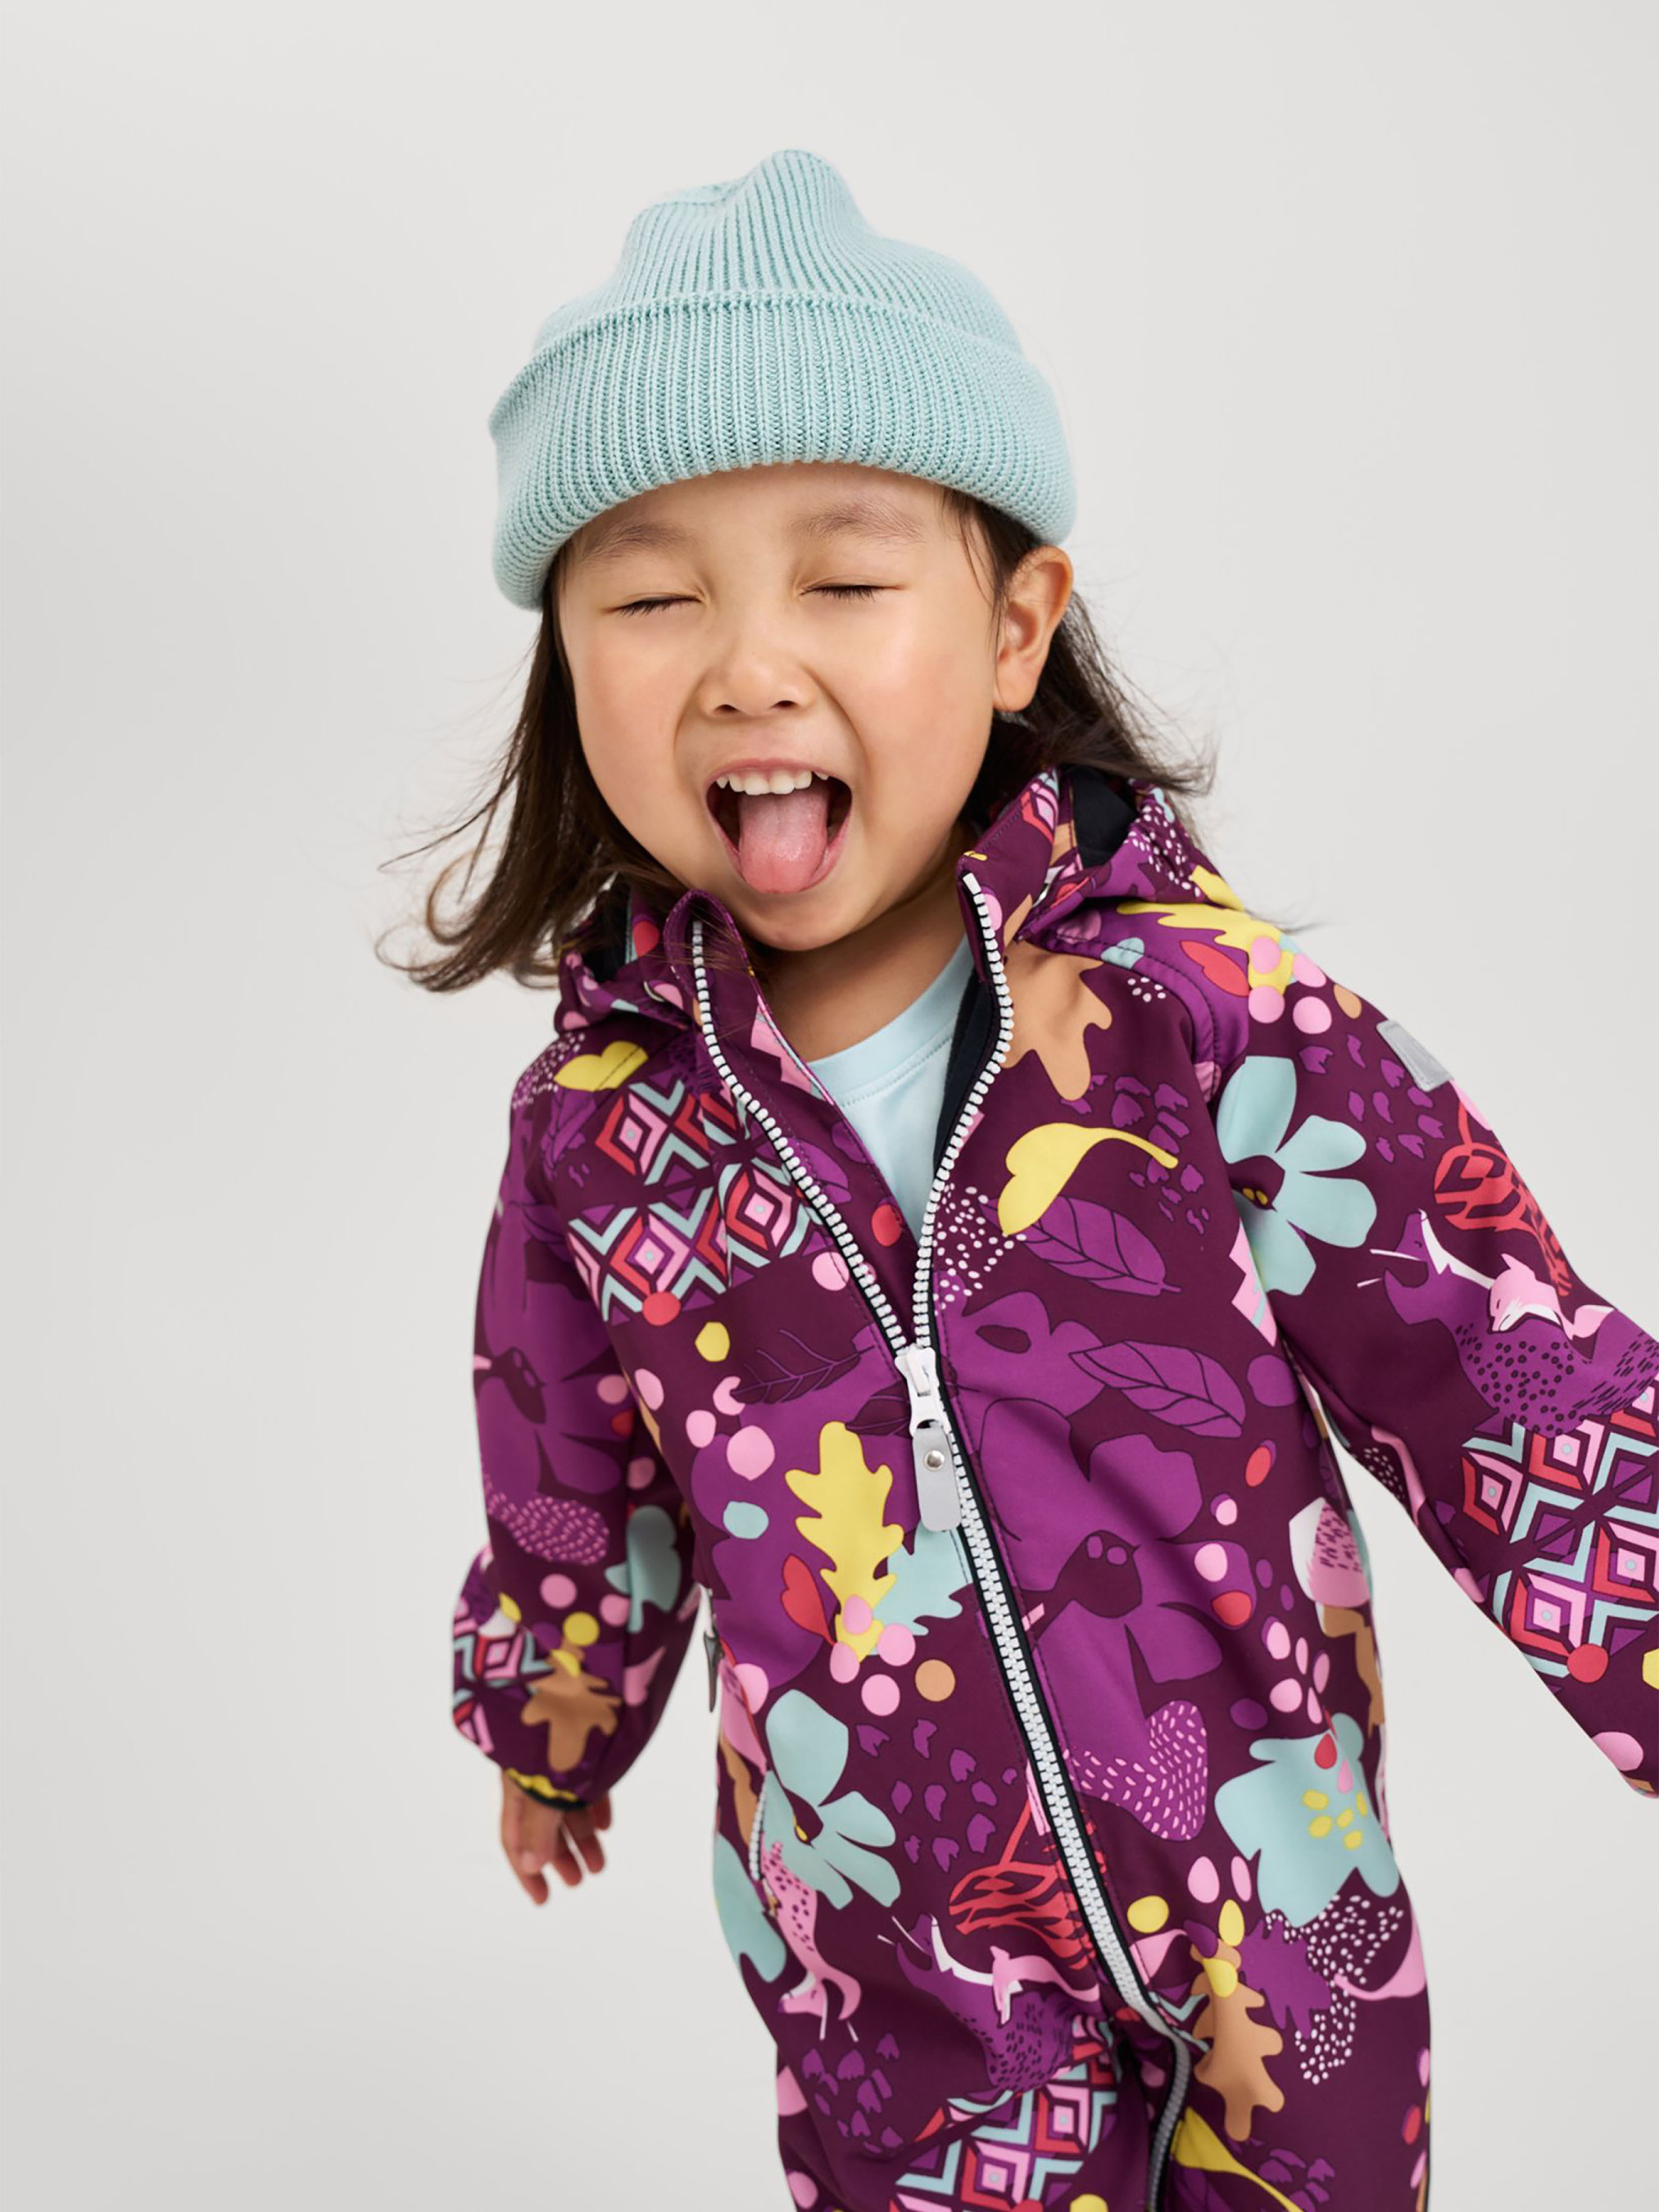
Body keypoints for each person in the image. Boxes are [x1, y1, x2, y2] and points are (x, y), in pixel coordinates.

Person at [400, 148, 1658, 2212]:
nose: (744, 663)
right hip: (894, 1970)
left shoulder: (1200, 1016)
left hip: (1275, 1905)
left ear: (1011, 626)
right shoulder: (599, 1130)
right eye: (648, 596)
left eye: (841, 581)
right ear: (566, 667)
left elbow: (1489, 1358)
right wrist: (548, 1721)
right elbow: (563, 1472)